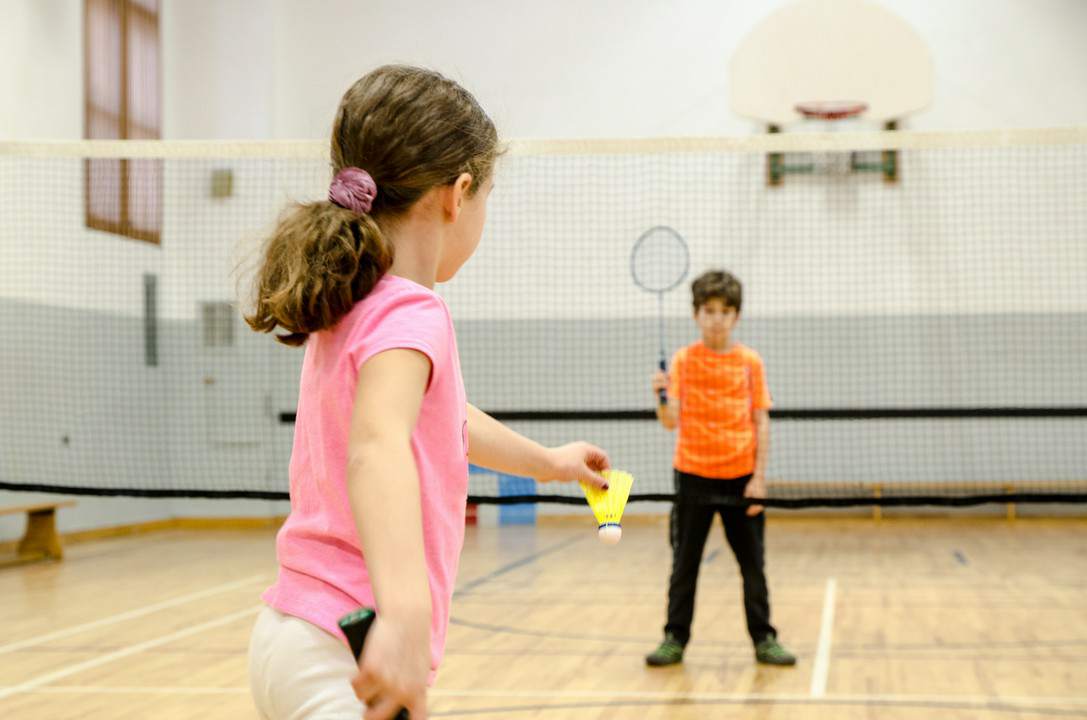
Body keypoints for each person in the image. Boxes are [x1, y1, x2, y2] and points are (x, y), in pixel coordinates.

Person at [244, 65, 611, 720]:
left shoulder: (353, 304)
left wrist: (548, 463)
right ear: (457, 195)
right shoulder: (413, 312)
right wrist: (405, 612)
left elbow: (441, 422)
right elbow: (378, 446)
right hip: (351, 646)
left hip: (292, 634)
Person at [645, 269, 795, 668]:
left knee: (753, 566)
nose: (716, 319)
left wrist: (759, 478)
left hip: (741, 479)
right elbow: (670, 421)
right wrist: (660, 396)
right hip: (692, 476)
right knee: (684, 564)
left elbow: (761, 419)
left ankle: (764, 638)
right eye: (709, 311)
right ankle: (674, 638)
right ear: (696, 314)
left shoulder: (749, 362)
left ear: (736, 316)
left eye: (725, 311)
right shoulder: (683, 360)